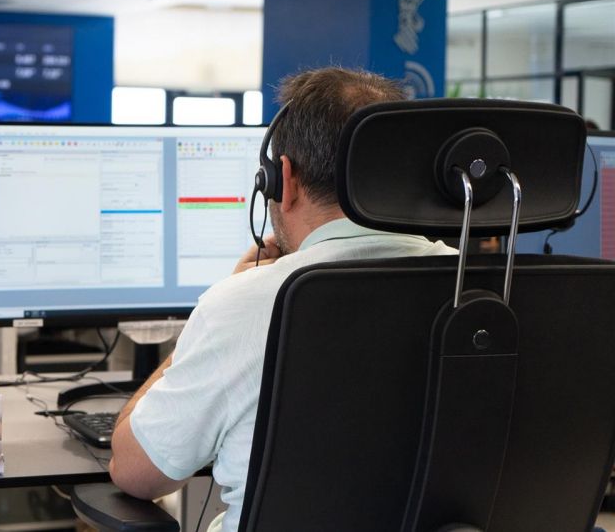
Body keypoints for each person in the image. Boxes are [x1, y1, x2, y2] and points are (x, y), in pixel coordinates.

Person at [107, 67, 457, 531]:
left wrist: (201, 333)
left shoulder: (246, 304)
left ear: (282, 179)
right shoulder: (485, 290)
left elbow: (135, 473)